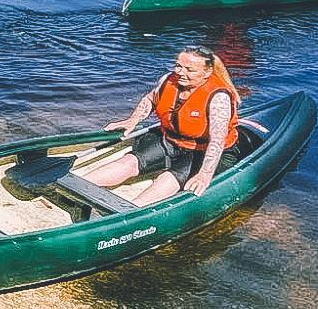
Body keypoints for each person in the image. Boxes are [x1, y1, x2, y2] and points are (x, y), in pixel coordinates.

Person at [82, 47, 241, 206]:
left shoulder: (219, 97)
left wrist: (204, 174)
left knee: (166, 180)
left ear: (207, 72)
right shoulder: (168, 80)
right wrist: (133, 120)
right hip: (171, 141)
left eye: (190, 70)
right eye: (178, 66)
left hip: (203, 150)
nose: (181, 72)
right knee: (128, 163)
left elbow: (217, 141)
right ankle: (74, 186)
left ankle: (129, 213)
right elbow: (151, 99)